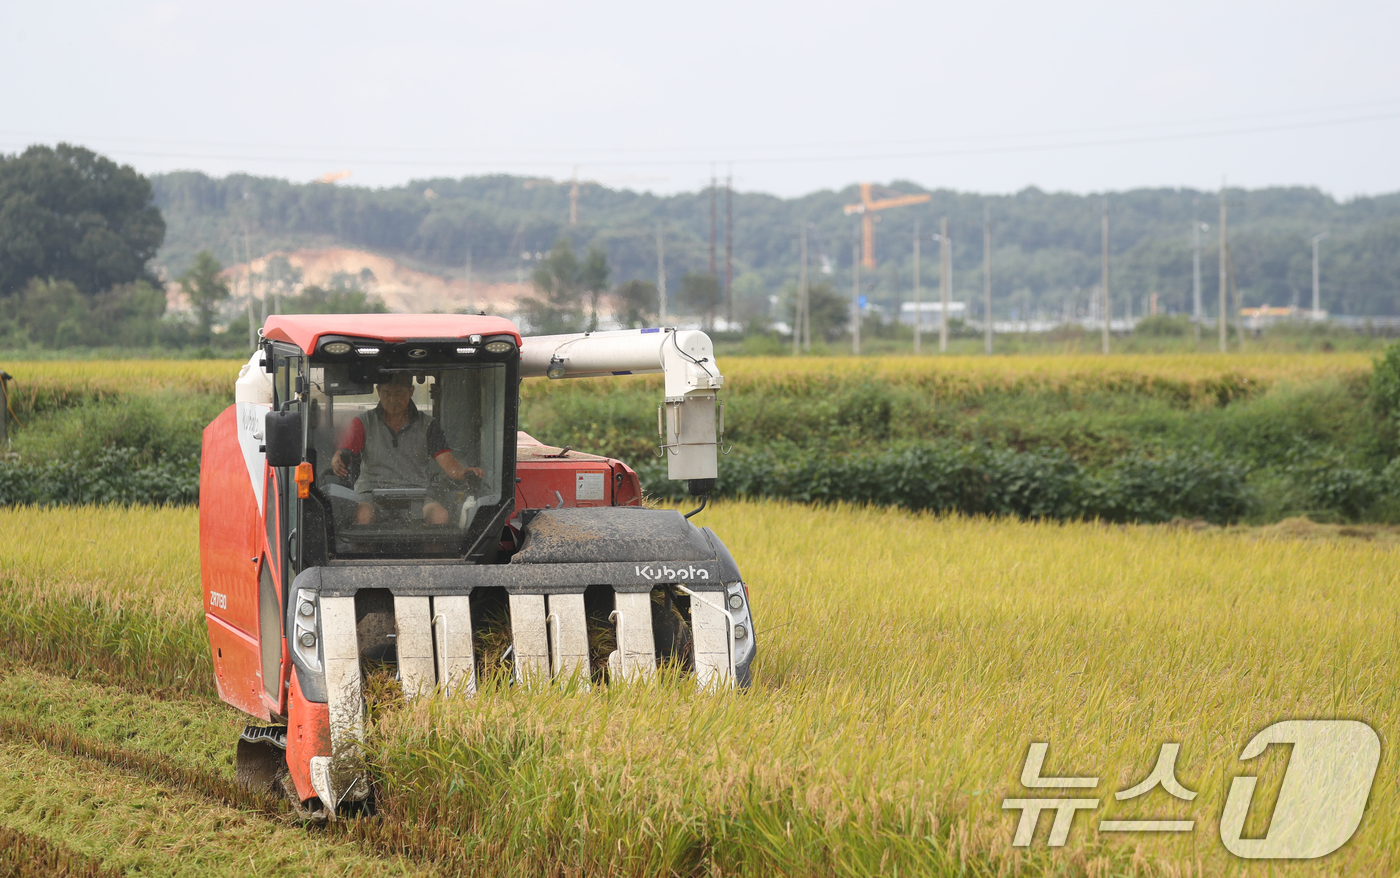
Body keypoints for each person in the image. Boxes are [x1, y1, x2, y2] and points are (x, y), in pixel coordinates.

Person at [331, 373, 482, 525]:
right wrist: (338, 459)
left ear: (411, 391)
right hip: (371, 493)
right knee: (363, 516)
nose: (392, 399)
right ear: (378, 391)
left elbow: (446, 460)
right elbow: (345, 452)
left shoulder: (428, 425)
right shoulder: (363, 422)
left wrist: (462, 473)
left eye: (399, 393)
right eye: (387, 393)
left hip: (417, 494)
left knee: (440, 516)